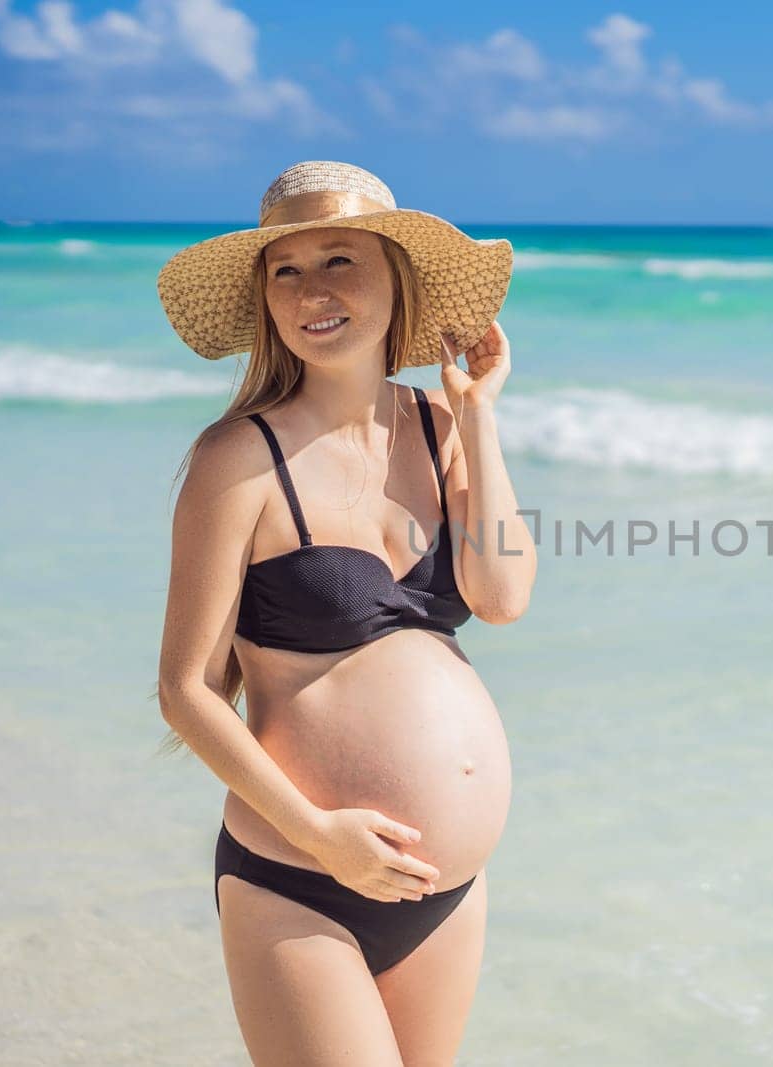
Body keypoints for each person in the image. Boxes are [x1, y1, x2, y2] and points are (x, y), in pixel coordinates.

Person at [154, 160, 536, 1066]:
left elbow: (504, 597)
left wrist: (476, 413)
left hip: (444, 887)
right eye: (285, 269)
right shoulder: (237, 458)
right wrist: (318, 833)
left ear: (393, 280)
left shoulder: (437, 429)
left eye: (340, 260)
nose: (312, 291)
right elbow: (186, 690)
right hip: (301, 879)